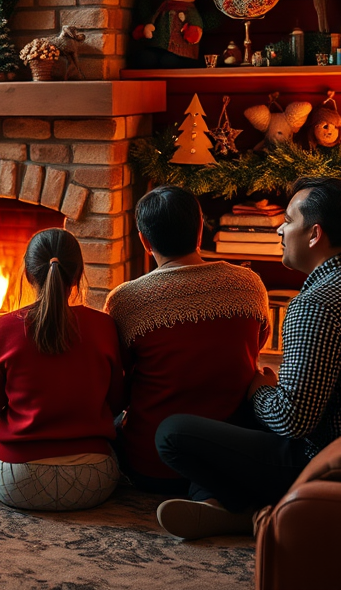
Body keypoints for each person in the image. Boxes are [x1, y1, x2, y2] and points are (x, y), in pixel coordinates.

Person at [154, 177, 341, 539]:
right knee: (227, 422)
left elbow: (291, 421)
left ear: (314, 234)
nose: (280, 229)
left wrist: (260, 389)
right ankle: (218, 505)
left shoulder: (315, 305)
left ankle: (253, 511)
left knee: (172, 434)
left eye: (288, 220)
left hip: (325, 460)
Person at [105, 186, 270, 493]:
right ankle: (210, 493)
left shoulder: (126, 300)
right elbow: (256, 345)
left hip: (150, 465)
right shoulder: (250, 285)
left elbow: (118, 381)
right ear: (200, 231)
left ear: (144, 240)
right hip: (227, 458)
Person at [0, 228, 125, 511]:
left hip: (19, 482)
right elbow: (117, 403)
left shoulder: (1, 329)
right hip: (95, 479)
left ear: (30, 276)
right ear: (78, 275)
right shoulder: (105, 327)